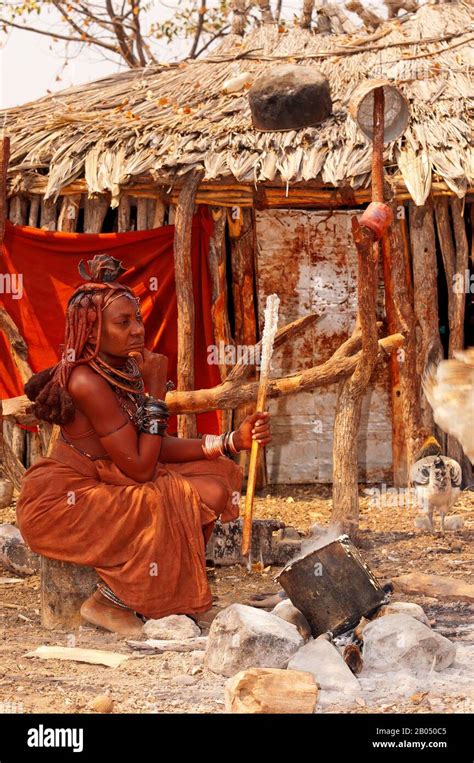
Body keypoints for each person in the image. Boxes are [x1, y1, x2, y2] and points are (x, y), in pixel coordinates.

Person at [16, 254, 271, 636]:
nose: (138, 329)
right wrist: (155, 394)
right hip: (66, 500)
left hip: (113, 477)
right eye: (124, 322)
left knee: (219, 477)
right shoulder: (86, 381)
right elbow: (140, 468)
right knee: (175, 496)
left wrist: (231, 441)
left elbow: (148, 448)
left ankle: (174, 598)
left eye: (137, 318)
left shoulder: (124, 368)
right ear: (90, 331)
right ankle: (110, 601)